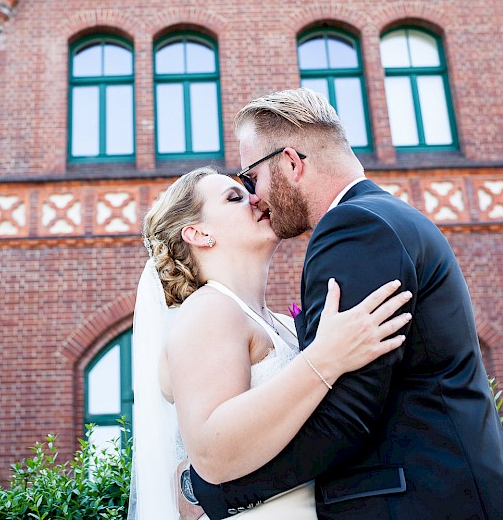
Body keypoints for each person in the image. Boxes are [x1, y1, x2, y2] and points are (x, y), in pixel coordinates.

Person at [187, 89, 503, 519]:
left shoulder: (354, 228)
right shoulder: (380, 217)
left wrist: (210, 493)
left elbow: (344, 415)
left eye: (251, 179)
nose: (254, 198)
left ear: (292, 163)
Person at [128, 166, 413, 519]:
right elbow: (213, 451)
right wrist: (327, 357)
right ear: (198, 233)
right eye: (234, 198)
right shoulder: (209, 309)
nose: (255, 198)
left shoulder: (280, 323)